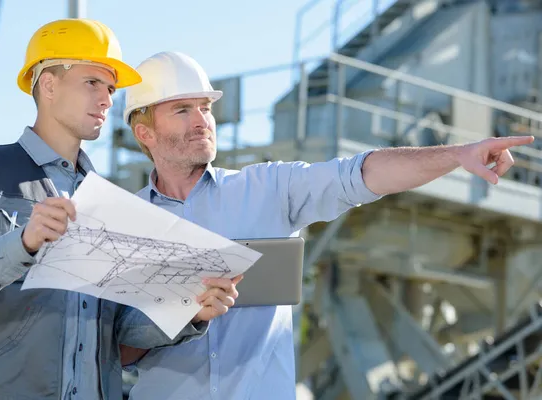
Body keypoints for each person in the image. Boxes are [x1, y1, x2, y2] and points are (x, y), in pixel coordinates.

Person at [121, 51, 533, 400]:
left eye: (206, 108)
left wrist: (458, 155)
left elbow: (360, 174)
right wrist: (183, 313)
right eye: (182, 110)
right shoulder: (122, 224)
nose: (202, 121)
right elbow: (111, 350)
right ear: (145, 132)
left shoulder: (268, 188)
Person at [0, 23, 238, 400]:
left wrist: (190, 310)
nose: (107, 100)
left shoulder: (106, 198)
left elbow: (117, 330)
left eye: (111, 89)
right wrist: (23, 244)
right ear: (48, 85)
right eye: (92, 83)